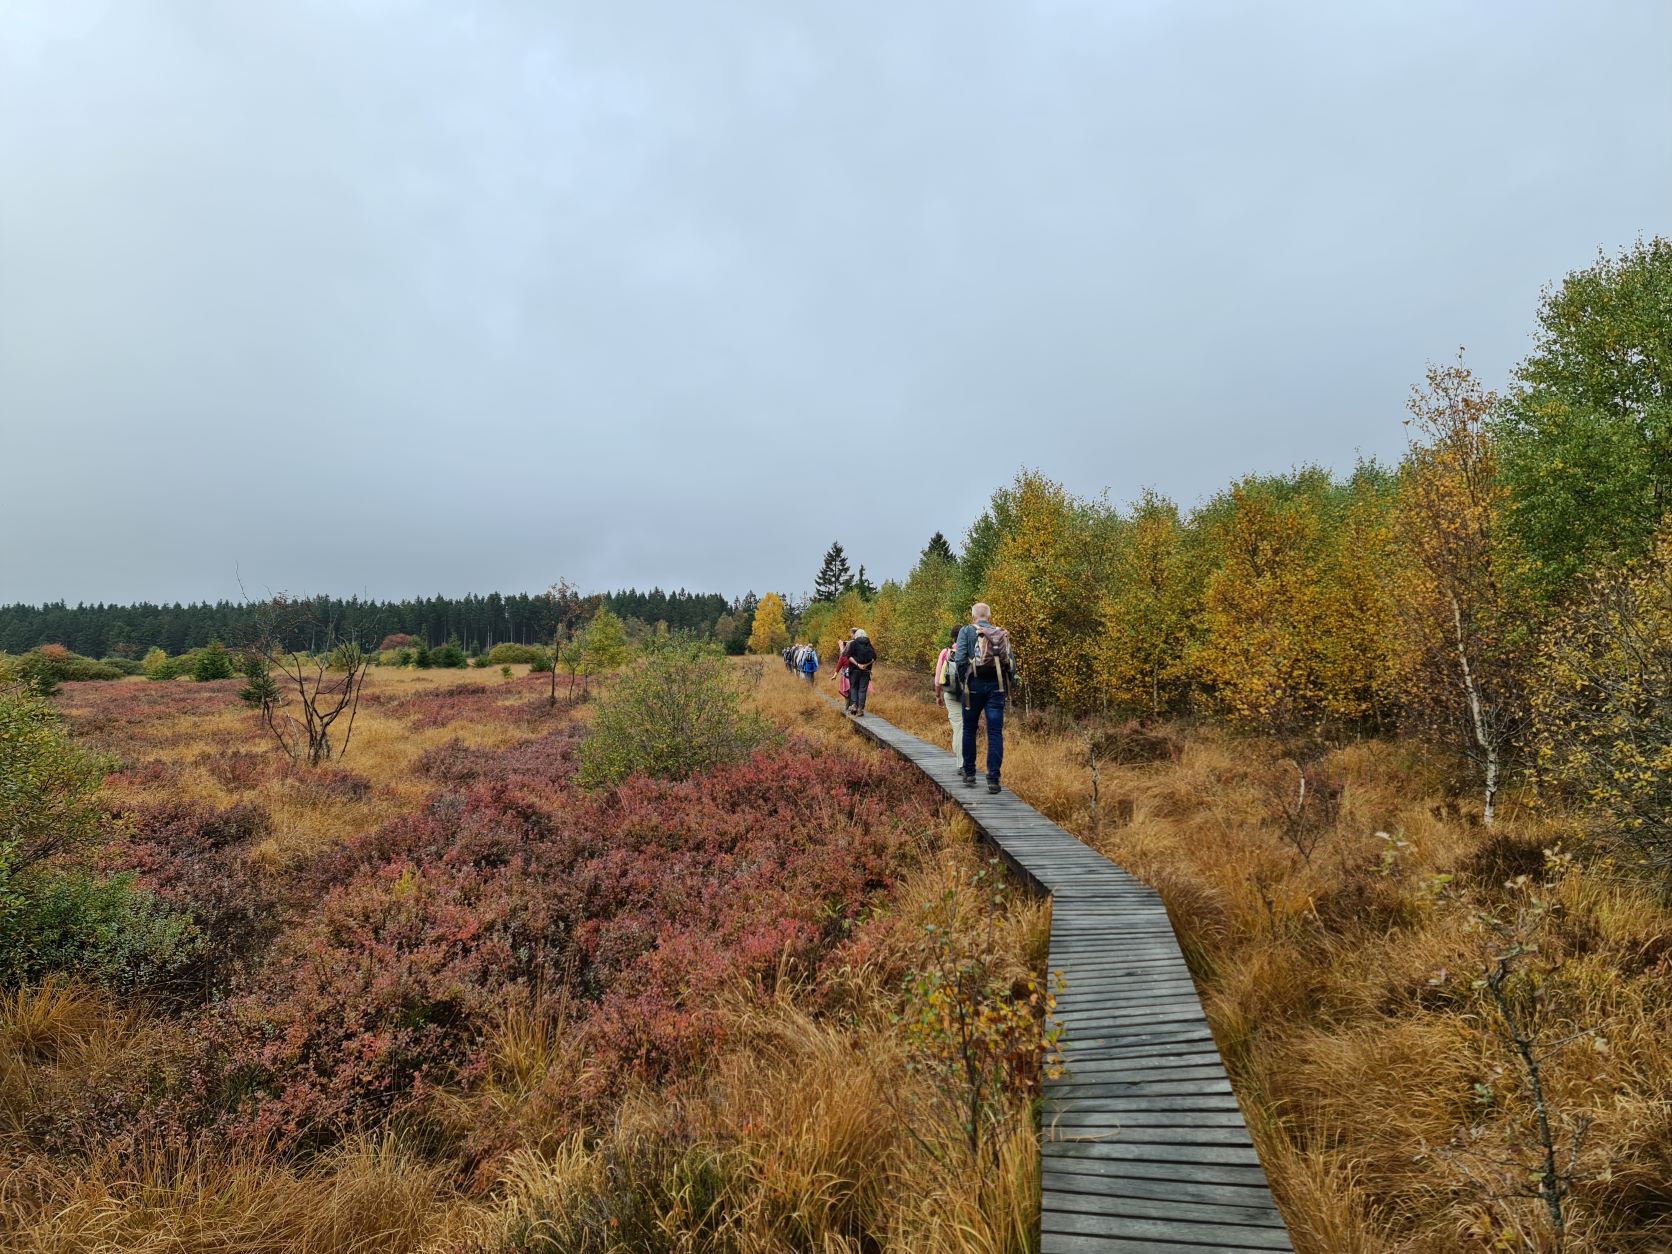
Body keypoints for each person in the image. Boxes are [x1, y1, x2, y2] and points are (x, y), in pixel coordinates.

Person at [954, 603, 1013, 794]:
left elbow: (961, 659)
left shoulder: (967, 631)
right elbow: (1011, 663)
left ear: (973, 616)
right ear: (989, 615)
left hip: (974, 685)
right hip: (997, 686)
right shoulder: (999, 633)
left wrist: (963, 682)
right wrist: (1008, 686)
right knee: (995, 732)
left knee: (970, 728)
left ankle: (970, 772)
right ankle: (994, 778)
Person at [933, 625, 962, 751]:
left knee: (958, 726)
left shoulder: (946, 653)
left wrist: (938, 696)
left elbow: (938, 679)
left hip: (950, 693)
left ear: (952, 638)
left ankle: (959, 759)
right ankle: (965, 760)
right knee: (967, 727)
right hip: (969, 695)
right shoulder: (971, 652)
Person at [846, 628, 876, 716]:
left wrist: (858, 664)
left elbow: (849, 656)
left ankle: (854, 705)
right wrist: (866, 665)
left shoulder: (853, 643)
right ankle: (860, 710)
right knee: (862, 690)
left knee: (854, 688)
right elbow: (874, 657)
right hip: (866, 671)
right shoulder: (869, 644)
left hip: (854, 670)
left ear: (856, 635)